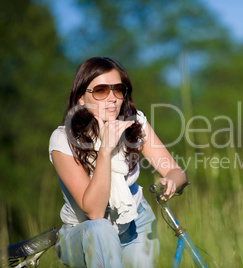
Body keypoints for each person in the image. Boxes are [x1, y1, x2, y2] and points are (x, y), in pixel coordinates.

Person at [49, 57, 187, 267]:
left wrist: (171, 182)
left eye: (118, 89)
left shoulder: (134, 124)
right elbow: (93, 212)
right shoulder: (63, 140)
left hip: (134, 220)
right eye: (101, 90)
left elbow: (175, 171)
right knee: (100, 228)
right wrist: (105, 150)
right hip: (84, 230)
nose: (112, 98)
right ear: (81, 98)